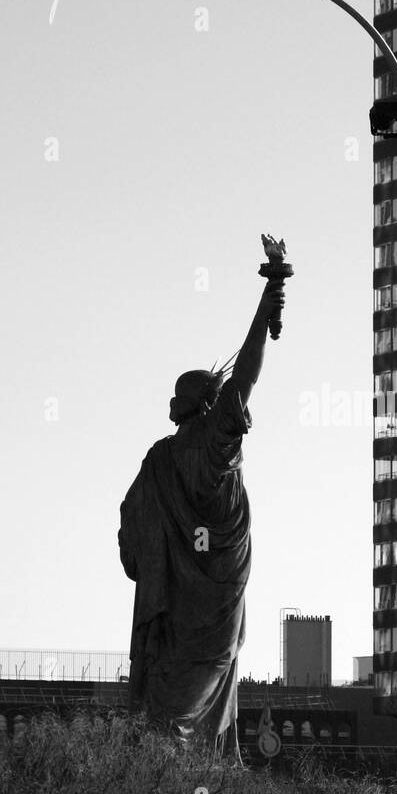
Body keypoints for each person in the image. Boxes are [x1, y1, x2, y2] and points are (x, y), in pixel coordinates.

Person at [118, 273, 286, 752]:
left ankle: (174, 778)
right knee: (192, 699)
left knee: (169, 704)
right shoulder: (201, 445)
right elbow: (248, 373)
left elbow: (129, 534)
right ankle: (201, 779)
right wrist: (268, 297)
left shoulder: (165, 458)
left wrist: (267, 299)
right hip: (216, 601)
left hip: (179, 604)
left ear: (184, 405)